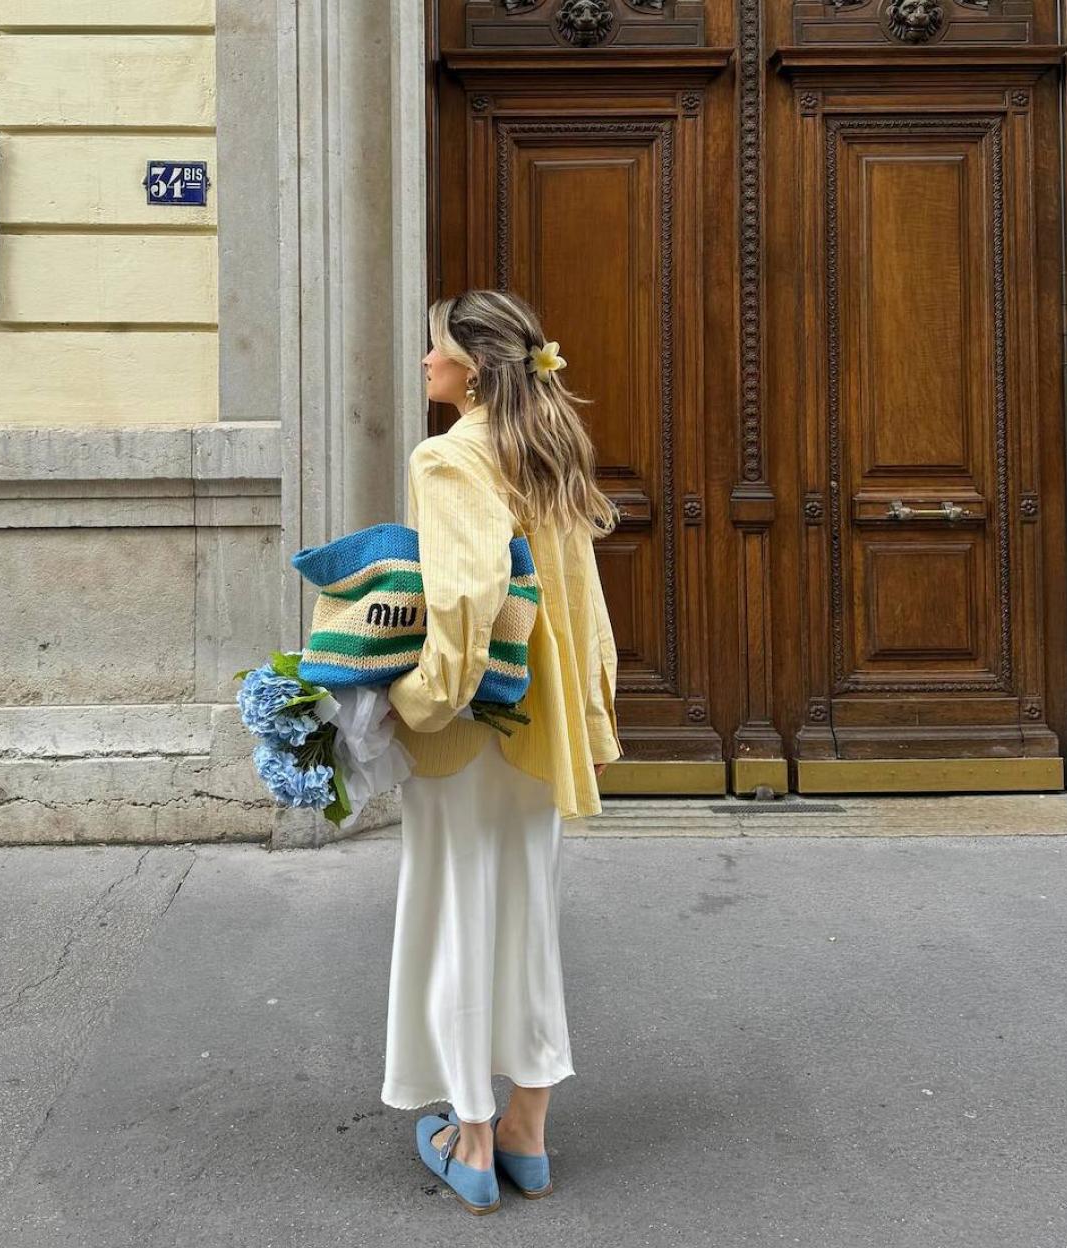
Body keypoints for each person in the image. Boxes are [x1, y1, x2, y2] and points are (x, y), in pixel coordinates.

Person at [379, 289, 623, 1214]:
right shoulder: (546, 448)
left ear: (471, 370)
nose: (424, 362)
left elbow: (467, 600)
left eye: (432, 347)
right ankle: (528, 1131)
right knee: (523, 917)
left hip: (472, 731)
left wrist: (417, 702)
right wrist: (595, 718)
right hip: (543, 733)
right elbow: (584, 599)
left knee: (454, 917)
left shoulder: (449, 457)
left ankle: (471, 1141)